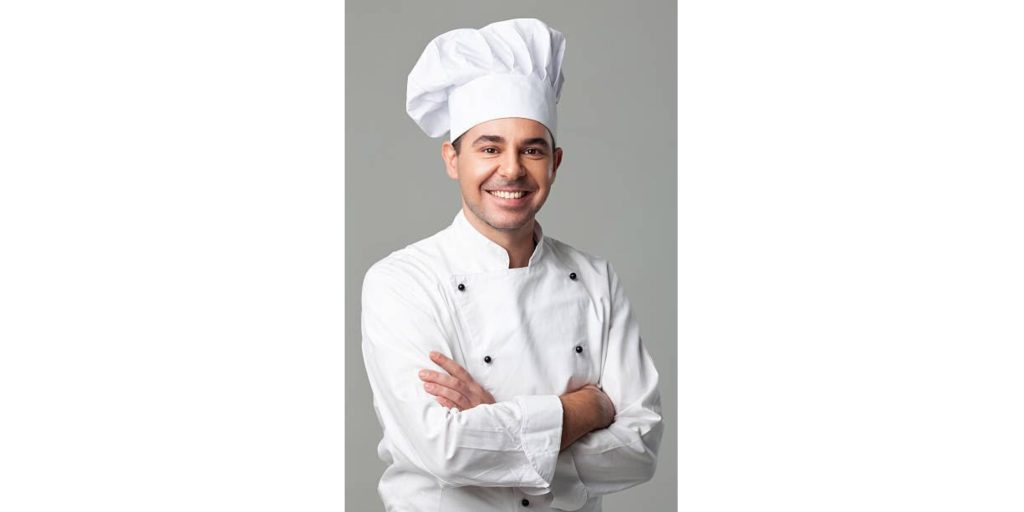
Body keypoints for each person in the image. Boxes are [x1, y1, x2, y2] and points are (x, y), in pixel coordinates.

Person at [361, 18, 663, 511]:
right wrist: (586, 409)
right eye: (489, 148)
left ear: (555, 163)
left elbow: (641, 450)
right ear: (452, 159)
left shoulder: (595, 279)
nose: (512, 169)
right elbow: (446, 449)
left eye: (532, 150)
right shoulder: (402, 281)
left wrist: (498, 424)